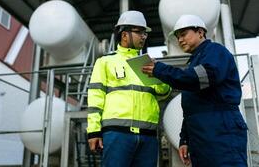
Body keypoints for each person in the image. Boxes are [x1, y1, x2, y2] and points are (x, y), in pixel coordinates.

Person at [142, 14, 248, 167]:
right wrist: (184, 139)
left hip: (221, 130)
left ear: (200, 32)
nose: (180, 40)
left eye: (183, 34)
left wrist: (160, 70)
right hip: (201, 135)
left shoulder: (216, 51)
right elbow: (192, 108)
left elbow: (199, 78)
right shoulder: (194, 62)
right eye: (178, 37)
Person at [86, 10, 171, 167]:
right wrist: (94, 131)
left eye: (145, 33)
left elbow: (164, 93)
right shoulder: (105, 62)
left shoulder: (148, 64)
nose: (144, 36)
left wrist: (157, 74)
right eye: (139, 32)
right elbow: (95, 98)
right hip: (117, 135)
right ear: (124, 35)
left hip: (148, 136)